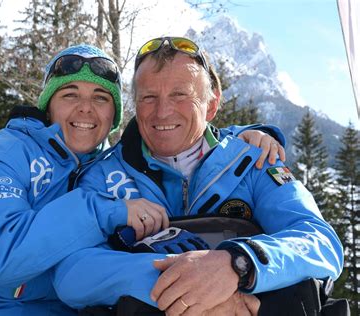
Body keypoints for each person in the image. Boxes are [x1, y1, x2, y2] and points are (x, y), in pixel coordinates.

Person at [0, 43, 284, 316]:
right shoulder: (6, 154)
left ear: (113, 116)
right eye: (70, 94)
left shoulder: (105, 169)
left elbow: (186, 139)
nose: (85, 107)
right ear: (48, 106)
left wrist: (244, 137)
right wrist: (104, 212)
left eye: (101, 97)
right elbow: (0, 256)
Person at [51, 37, 344, 316]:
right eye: (149, 97)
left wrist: (237, 265)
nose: (162, 112)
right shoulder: (102, 176)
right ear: (135, 106)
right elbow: (71, 272)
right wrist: (193, 283)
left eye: (180, 95)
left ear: (212, 104)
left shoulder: (255, 160)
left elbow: (320, 242)